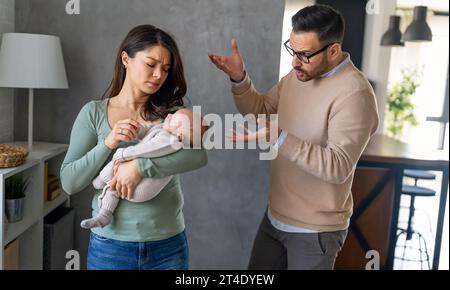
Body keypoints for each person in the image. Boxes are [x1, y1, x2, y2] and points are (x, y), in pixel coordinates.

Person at [208, 4, 379, 269]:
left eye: (304, 54)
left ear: (333, 50)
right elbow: (261, 111)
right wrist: (239, 78)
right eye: (292, 49)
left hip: (315, 231)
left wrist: (279, 137)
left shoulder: (355, 94)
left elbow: (338, 166)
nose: (294, 61)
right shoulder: (298, 75)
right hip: (275, 218)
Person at [60, 25, 208, 270]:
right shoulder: (94, 113)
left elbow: (199, 156)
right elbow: (70, 182)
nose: (159, 75)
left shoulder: (172, 115)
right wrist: (108, 144)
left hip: (167, 246)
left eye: (165, 69)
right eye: (151, 64)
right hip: (111, 246)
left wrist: (140, 166)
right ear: (126, 58)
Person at [80, 108, 207, 229]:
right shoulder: (164, 129)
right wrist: (138, 130)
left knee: (117, 163)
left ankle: (101, 180)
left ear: (180, 134)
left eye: (174, 118)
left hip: (142, 189)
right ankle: (104, 216)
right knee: (115, 185)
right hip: (141, 189)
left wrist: (124, 154)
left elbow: (147, 149)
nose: (169, 115)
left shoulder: (170, 141)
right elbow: (149, 131)